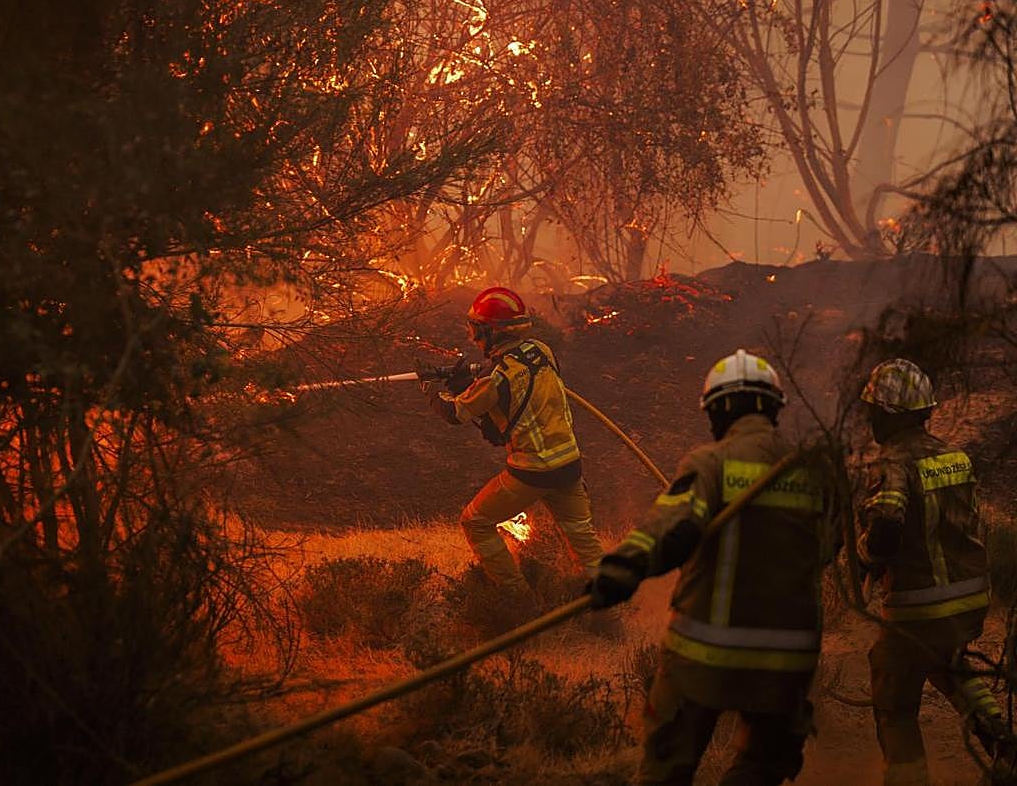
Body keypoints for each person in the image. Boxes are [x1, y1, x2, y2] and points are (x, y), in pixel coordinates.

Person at [590, 349, 832, 785]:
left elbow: (671, 527)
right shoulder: (815, 471)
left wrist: (621, 569)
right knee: (762, 766)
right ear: (775, 407)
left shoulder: (712, 462)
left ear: (718, 409)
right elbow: (829, 549)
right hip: (787, 660)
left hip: (704, 655)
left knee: (668, 762)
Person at [856, 358, 1010, 785]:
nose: (869, 418)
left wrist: (866, 557)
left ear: (886, 415)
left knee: (893, 697)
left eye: (873, 410)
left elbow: (887, 525)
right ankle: (1003, 743)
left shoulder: (891, 464)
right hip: (970, 600)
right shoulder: (955, 457)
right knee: (952, 662)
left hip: (918, 608)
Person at [425, 286, 604, 601]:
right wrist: (469, 381)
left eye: (477, 331)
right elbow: (515, 388)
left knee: (475, 522)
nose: (473, 338)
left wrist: (431, 389)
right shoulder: (542, 350)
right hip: (569, 465)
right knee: (583, 542)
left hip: (532, 471)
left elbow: (456, 413)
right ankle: (611, 611)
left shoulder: (497, 376)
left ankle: (518, 601)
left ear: (492, 332)